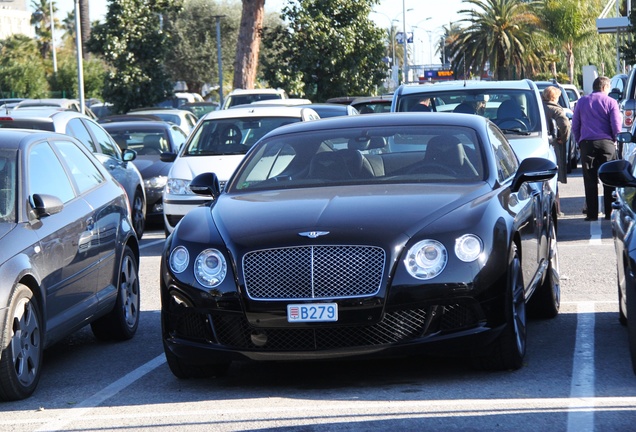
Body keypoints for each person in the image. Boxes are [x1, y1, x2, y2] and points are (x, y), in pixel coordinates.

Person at [571, 76, 622, 221]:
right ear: (605, 87)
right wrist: (614, 140)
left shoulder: (581, 102)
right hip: (606, 143)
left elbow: (575, 125)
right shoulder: (611, 102)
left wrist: (580, 141)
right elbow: (616, 126)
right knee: (609, 179)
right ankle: (609, 212)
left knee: (590, 180)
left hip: (587, 143)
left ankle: (592, 213)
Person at [542, 86, 570, 185]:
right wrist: (563, 138)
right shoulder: (556, 110)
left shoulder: (538, 107)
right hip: (553, 142)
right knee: (554, 172)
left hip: (539, 140)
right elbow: (565, 125)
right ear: (554, 98)